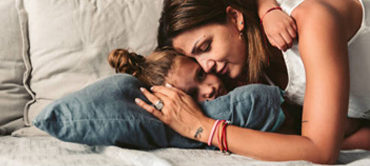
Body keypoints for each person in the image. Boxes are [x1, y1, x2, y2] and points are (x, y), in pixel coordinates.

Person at [136, 0, 370, 164]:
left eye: (205, 47)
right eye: (196, 61)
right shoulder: (254, 77)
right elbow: (347, 134)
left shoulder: (310, 22)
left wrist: (204, 129)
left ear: (235, 17)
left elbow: (321, 151)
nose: (206, 66)